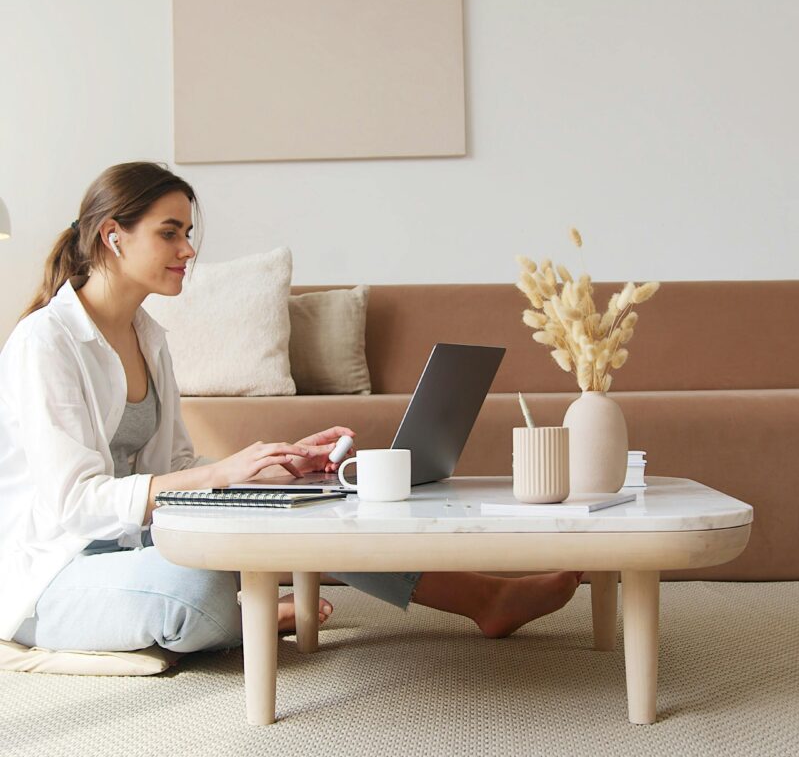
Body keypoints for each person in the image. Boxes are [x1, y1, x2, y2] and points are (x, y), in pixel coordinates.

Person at [0, 162, 582, 655]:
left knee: (309, 508)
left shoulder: (149, 337)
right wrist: (222, 474)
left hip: (140, 543)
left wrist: (276, 470)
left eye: (188, 232)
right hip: (53, 572)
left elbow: (176, 465)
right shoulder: (44, 343)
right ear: (113, 235)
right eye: (171, 233)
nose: (189, 249)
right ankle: (255, 612)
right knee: (194, 589)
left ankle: (486, 599)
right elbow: (74, 504)